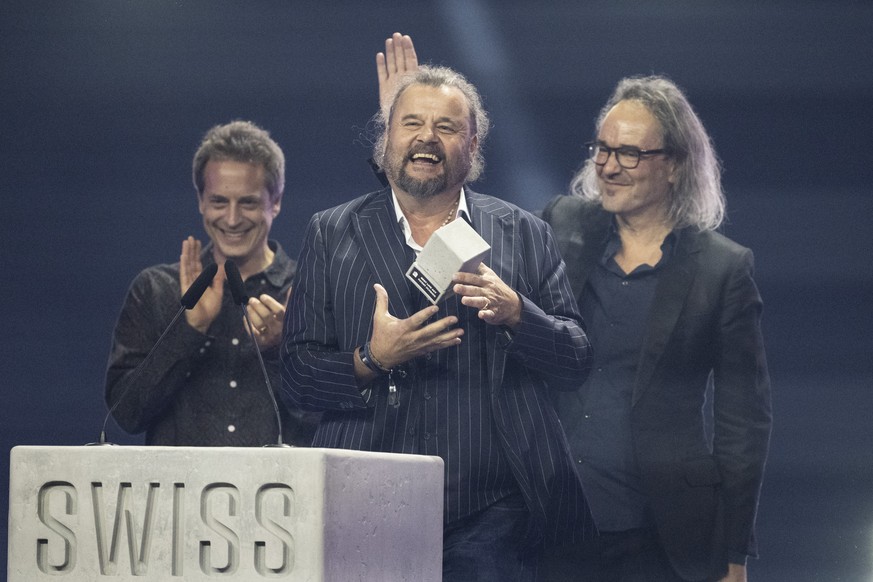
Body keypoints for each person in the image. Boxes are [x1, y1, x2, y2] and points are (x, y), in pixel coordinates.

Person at [279, 63, 595, 581]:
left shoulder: (525, 233)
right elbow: (295, 376)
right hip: (363, 504)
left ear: (473, 146)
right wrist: (372, 359)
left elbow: (577, 361)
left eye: (447, 127)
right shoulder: (332, 231)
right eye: (411, 123)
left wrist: (519, 315)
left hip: (494, 511)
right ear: (386, 140)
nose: (427, 137)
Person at [540, 77, 772, 582]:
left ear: (674, 165)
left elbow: (742, 423)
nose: (606, 166)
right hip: (548, 522)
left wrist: (733, 552)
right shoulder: (562, 225)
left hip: (660, 537)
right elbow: (473, 248)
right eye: (602, 148)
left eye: (627, 153)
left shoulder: (722, 270)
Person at [105, 120, 314, 447]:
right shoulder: (156, 289)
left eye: (248, 202)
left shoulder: (310, 291)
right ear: (201, 201)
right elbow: (126, 414)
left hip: (279, 495)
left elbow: (328, 421)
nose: (232, 219)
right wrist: (190, 330)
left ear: (275, 202)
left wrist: (284, 350)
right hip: (179, 495)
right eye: (219, 202)